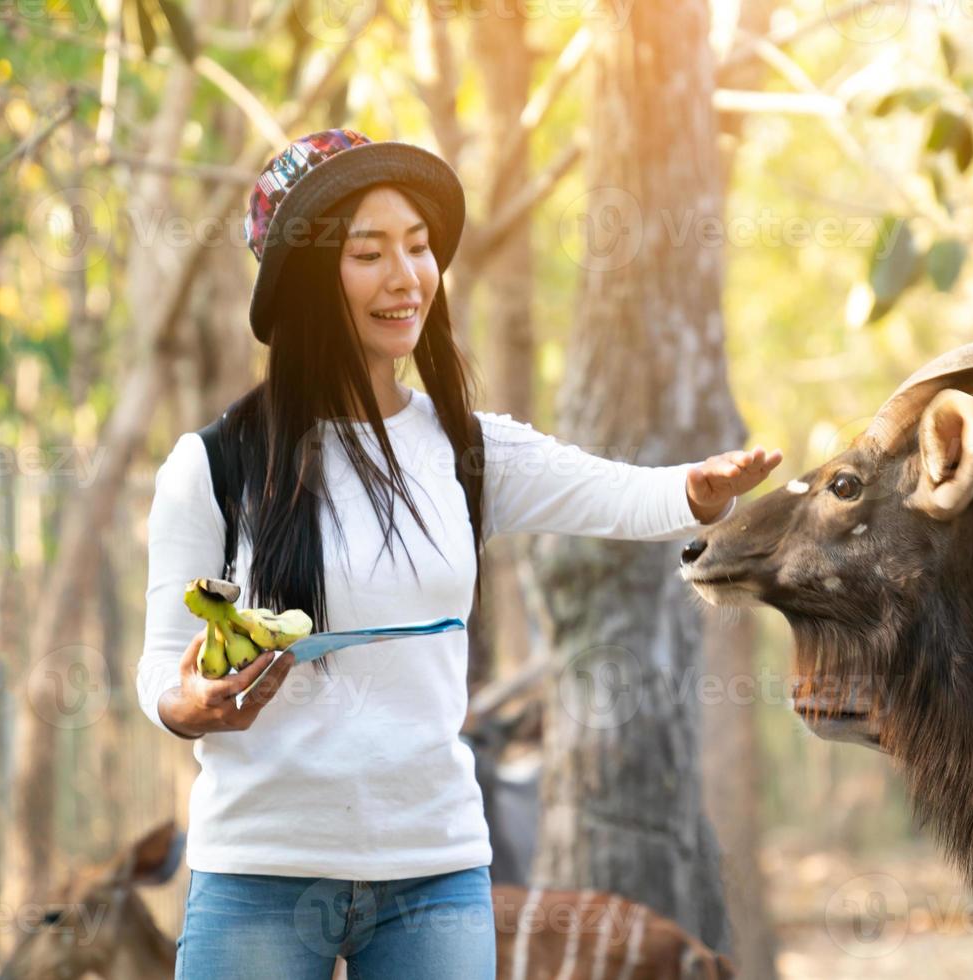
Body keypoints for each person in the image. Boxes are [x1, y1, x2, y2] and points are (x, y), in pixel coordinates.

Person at [134, 129, 782, 979]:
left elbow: (616, 493)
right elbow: (158, 676)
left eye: (418, 247)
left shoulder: (465, 450)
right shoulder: (214, 465)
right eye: (369, 253)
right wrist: (195, 704)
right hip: (260, 870)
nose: (407, 278)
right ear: (303, 282)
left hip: (432, 874)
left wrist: (698, 492)